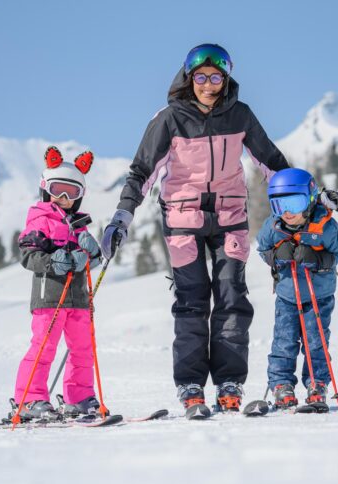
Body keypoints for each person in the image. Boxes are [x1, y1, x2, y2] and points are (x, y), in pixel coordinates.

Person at [100, 43, 293, 412]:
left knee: (232, 298)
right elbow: (142, 173)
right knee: (191, 302)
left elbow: (272, 163)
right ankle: (190, 385)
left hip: (230, 217)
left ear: (226, 78)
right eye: (201, 77)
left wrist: (307, 197)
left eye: (216, 77)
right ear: (190, 78)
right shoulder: (169, 118)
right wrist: (122, 217)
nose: (208, 84)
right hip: (182, 220)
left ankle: (229, 382)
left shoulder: (241, 115)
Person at [6, 146, 103, 422]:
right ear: (45, 189)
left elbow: (90, 260)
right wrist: (52, 261)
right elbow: (28, 255)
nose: (63, 197)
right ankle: (31, 398)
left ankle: (79, 398)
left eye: (71, 192)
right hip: (49, 297)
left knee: (83, 348)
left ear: (80, 196)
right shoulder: (40, 220)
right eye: (58, 189)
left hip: (79, 299)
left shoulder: (81, 225)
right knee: (44, 347)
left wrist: (91, 253)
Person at [256, 168, 338, 410]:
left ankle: (317, 383)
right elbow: (262, 249)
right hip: (287, 295)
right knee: (284, 341)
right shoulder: (273, 226)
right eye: (279, 205)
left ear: (308, 201)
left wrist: (319, 260)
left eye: (293, 203)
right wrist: (276, 255)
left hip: (319, 295)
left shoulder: (325, 227)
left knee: (315, 341)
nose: (286, 212)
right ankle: (281, 385)